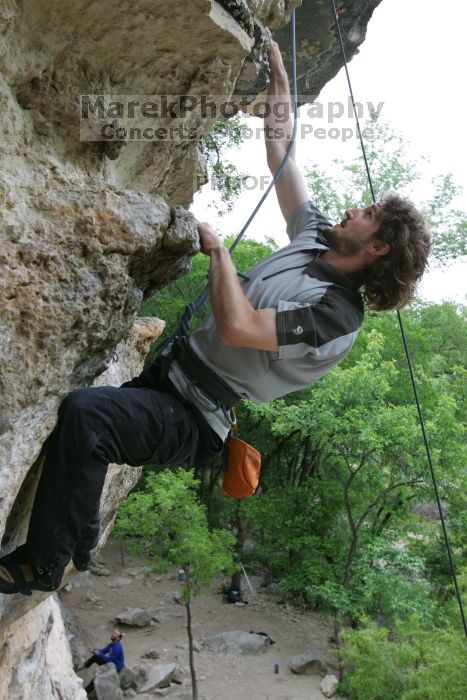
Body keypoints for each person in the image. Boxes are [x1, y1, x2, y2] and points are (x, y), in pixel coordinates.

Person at [0, 41, 431, 596]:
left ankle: (43, 564)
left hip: (195, 417)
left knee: (89, 416)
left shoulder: (336, 317)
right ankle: (81, 537)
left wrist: (221, 255)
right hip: (170, 379)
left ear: (377, 249)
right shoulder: (315, 238)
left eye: (368, 215)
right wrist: (281, 83)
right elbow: (281, 152)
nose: (353, 210)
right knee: (90, 432)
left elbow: (240, 328)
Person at [77, 629, 125, 694]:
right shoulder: (113, 644)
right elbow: (103, 651)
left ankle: (85, 692)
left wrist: (99, 654)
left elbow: (109, 659)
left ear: (118, 638)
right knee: (95, 657)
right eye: (114, 633)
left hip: (114, 667)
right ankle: (82, 667)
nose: (113, 634)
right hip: (110, 663)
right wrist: (94, 650)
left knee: (98, 676)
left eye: (116, 634)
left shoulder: (117, 647)